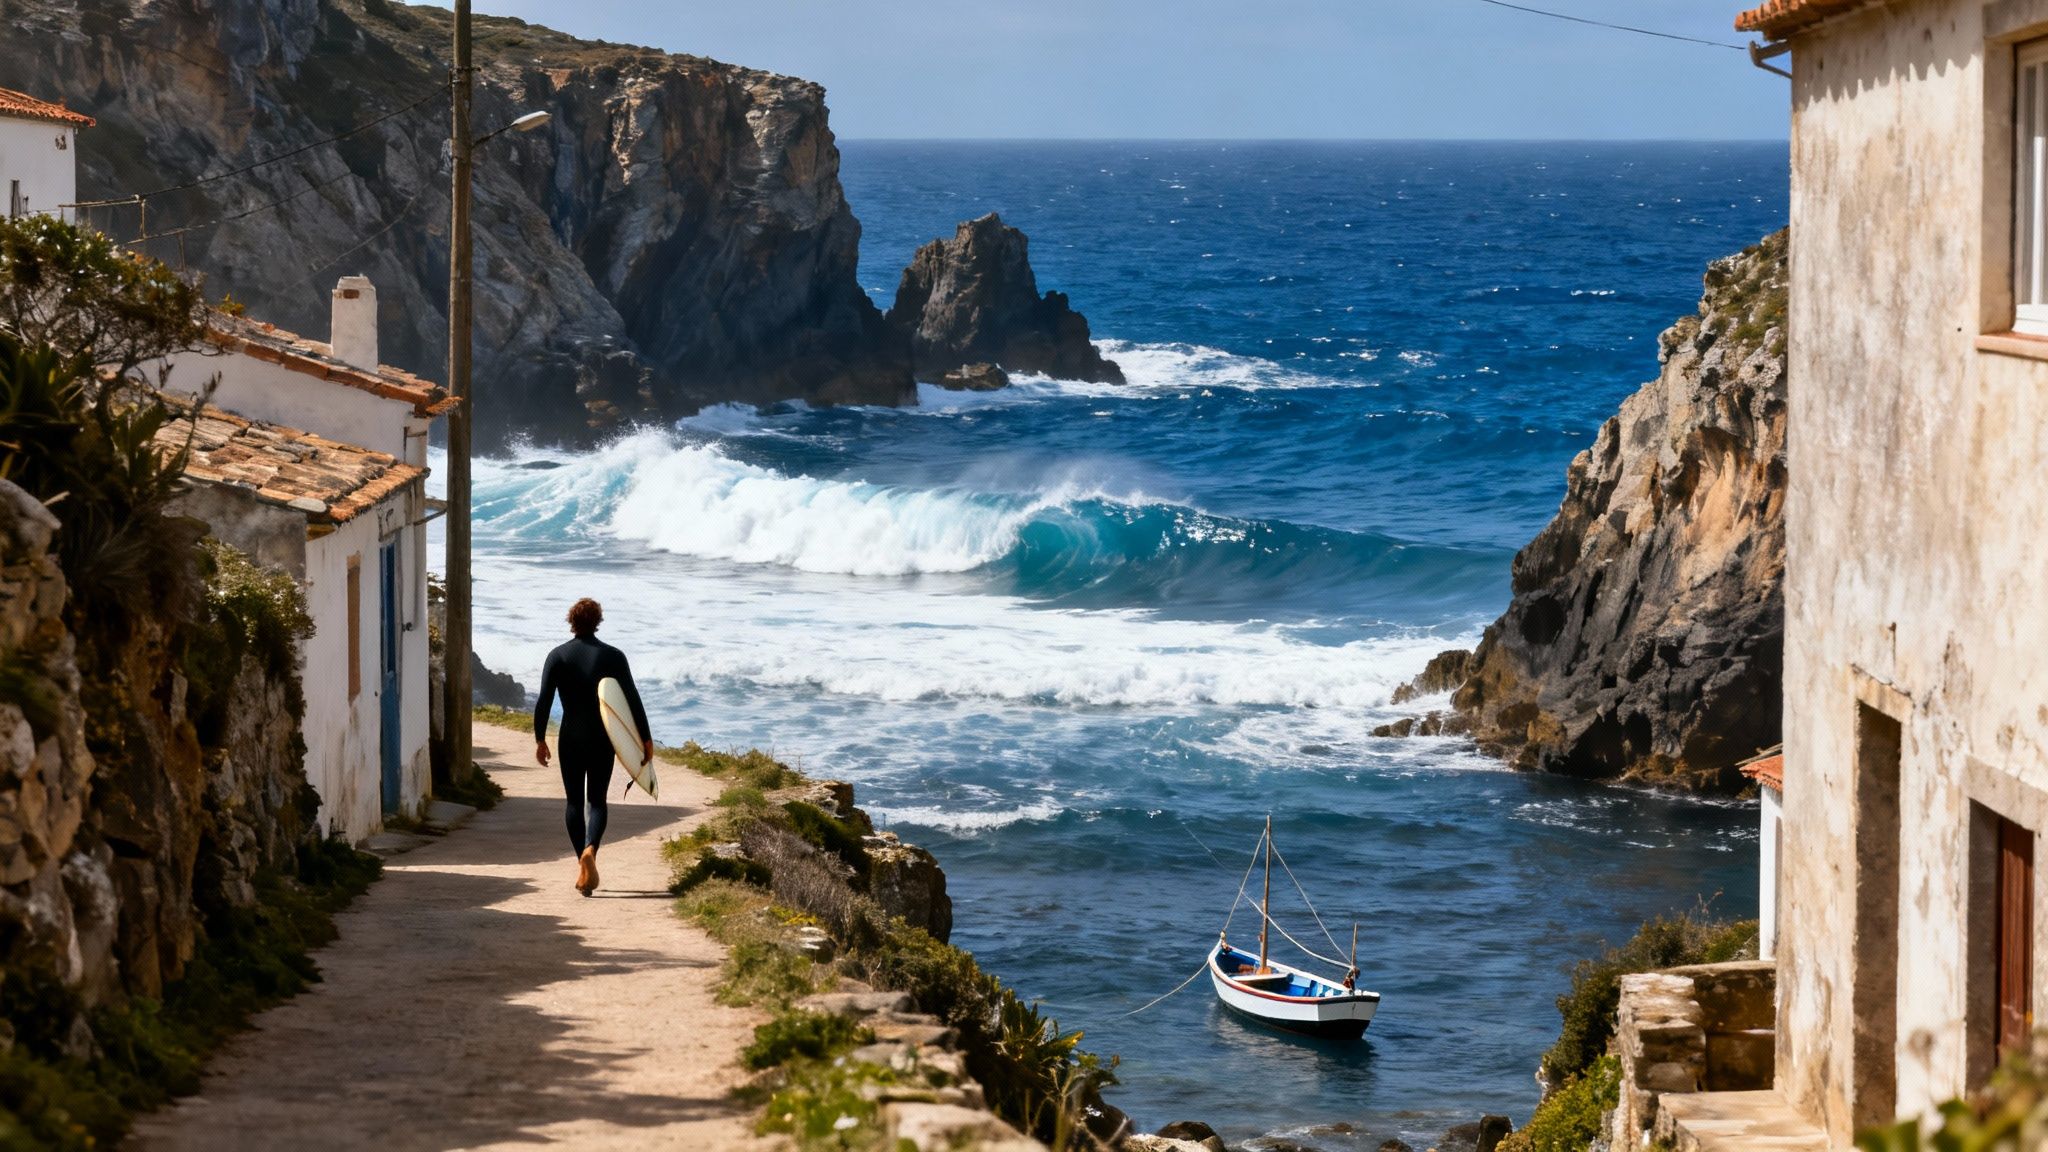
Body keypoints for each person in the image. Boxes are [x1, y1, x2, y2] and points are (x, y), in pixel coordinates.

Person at [533, 597, 652, 895]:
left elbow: (544, 700)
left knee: (573, 802)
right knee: (596, 800)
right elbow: (632, 699)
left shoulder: (557, 656)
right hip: (602, 737)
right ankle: (591, 851)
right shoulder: (613, 656)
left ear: (571, 621)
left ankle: (581, 862)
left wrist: (539, 740)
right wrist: (645, 739)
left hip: (571, 736)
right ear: (598, 621)